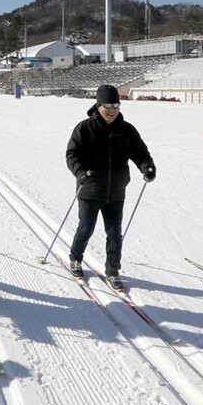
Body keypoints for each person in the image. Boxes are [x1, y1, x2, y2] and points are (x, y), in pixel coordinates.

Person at [65, 85, 155, 291]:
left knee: (114, 233)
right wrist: (80, 172)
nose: (113, 110)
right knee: (85, 228)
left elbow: (140, 152)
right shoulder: (84, 128)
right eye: (108, 105)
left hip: (116, 192)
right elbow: (72, 155)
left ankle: (113, 270)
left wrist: (147, 166)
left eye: (116, 105)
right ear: (98, 105)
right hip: (90, 190)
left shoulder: (127, 130)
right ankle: (75, 259)